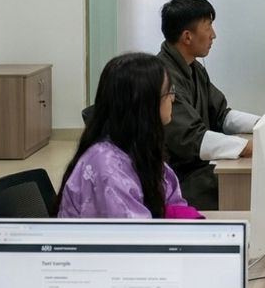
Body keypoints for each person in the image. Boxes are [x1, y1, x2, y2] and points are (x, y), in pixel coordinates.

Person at [155, 0, 265, 211]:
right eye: (208, 27)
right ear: (187, 36)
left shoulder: (194, 68)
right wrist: (252, 147)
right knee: (250, 184)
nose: (213, 35)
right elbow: (192, 138)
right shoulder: (163, 76)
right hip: (179, 179)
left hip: (199, 168)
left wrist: (263, 124)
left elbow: (221, 114)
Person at [56, 52, 201, 219]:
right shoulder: (106, 165)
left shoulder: (138, 147)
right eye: (169, 92)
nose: (173, 99)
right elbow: (132, 231)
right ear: (145, 103)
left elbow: (170, 203)